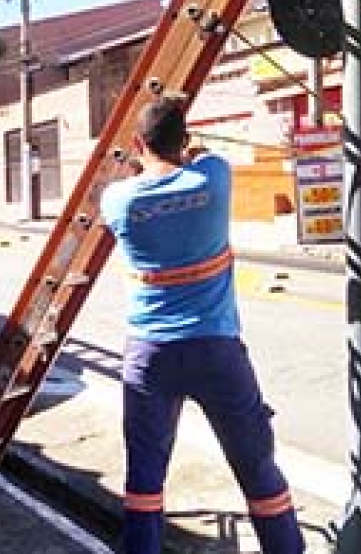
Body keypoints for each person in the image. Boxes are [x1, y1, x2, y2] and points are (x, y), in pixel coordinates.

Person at [100, 98, 305, 553]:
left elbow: (140, 186)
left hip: (150, 353)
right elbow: (202, 158)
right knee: (257, 467)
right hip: (217, 351)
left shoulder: (117, 200)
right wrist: (192, 150)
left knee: (145, 479)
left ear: (137, 144)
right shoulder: (214, 177)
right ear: (184, 140)